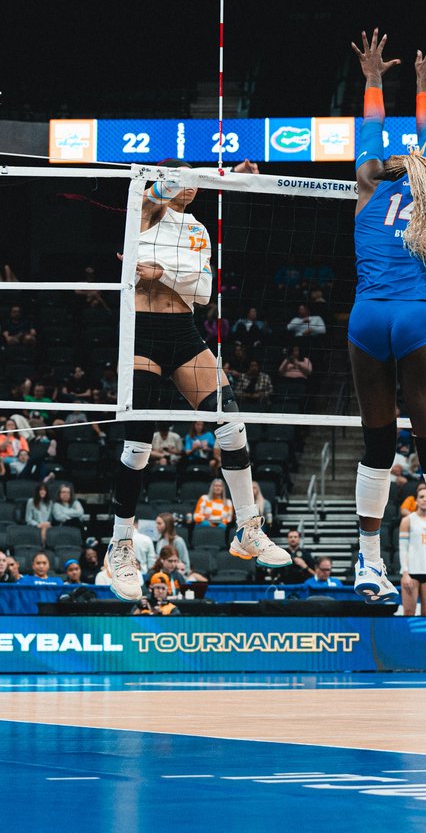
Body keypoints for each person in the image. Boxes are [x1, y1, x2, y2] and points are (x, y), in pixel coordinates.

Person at [106, 158, 289, 601]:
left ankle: (248, 528)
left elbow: (203, 293)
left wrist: (164, 275)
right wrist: (214, 172)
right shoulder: (143, 209)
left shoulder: (198, 230)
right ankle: (121, 545)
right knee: (137, 447)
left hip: (183, 334)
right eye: (182, 181)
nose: (191, 189)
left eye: (195, 182)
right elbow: (156, 195)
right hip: (143, 334)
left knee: (232, 425)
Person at [347, 31, 426, 618]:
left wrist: (375, 79)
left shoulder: (368, 185)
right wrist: (425, 88)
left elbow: (370, 132)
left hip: (367, 318)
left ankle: (368, 560)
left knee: (377, 445)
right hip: (415, 318)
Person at [399, 483, 426, 616]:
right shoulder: (407, 520)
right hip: (411, 572)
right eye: (422, 496)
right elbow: (403, 548)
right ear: (416, 500)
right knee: (408, 613)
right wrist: (405, 573)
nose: (425, 499)